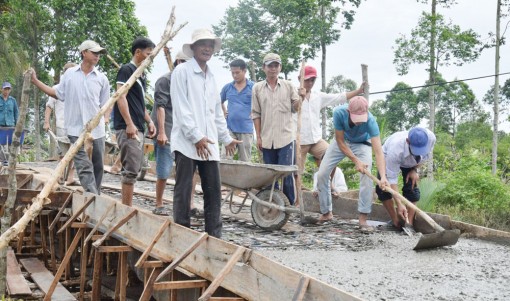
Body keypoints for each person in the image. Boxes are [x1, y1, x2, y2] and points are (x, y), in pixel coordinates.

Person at [170, 29, 241, 238]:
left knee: (213, 191)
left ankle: (214, 236)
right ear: (193, 48)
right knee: (183, 190)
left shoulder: (211, 77)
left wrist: (226, 138)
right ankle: (182, 233)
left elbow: (216, 112)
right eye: (203, 44)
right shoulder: (181, 72)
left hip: (208, 143)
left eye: (210, 45)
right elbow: (182, 109)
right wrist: (195, 137)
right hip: (187, 142)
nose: (207, 48)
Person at [31, 40, 110, 194]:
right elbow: (56, 93)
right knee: (83, 165)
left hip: (97, 129)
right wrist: (35, 81)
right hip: (75, 129)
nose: (97, 56)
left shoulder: (102, 79)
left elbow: (106, 104)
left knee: (98, 165)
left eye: (98, 54)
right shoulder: (69, 75)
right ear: (84, 53)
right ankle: (93, 197)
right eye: (94, 53)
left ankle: (95, 195)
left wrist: (106, 119)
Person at [316, 96, 389, 229]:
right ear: (349, 111)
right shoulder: (339, 113)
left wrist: (383, 176)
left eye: (361, 119)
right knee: (322, 173)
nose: (358, 122)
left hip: (362, 144)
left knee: (367, 177)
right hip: (342, 142)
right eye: (356, 118)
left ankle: (363, 218)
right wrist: (356, 161)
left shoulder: (371, 121)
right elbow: (339, 141)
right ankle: (326, 212)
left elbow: (378, 152)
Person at [252, 53, 300, 205]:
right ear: (263, 68)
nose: (273, 69)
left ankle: (289, 206)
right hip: (267, 139)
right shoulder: (257, 88)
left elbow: (296, 108)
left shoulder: (288, 86)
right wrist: (258, 137)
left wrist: (302, 98)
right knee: (270, 177)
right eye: (270, 66)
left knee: (286, 175)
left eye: (276, 65)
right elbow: (256, 114)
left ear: (280, 67)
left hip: (286, 138)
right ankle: (273, 207)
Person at [113, 37, 156, 206]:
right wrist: (129, 124)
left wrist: (149, 121)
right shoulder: (126, 70)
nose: (150, 58)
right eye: (148, 54)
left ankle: (127, 207)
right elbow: (120, 96)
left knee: (134, 168)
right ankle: (126, 209)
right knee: (130, 170)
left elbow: (140, 105)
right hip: (128, 127)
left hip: (138, 126)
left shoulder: (141, 75)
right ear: (138, 52)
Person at [297, 65, 364, 172]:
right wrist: (299, 97)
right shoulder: (293, 95)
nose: (310, 83)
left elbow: (338, 97)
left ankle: (327, 185)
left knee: (331, 157)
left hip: (315, 140)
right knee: (296, 172)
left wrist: (358, 91)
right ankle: (297, 188)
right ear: (299, 79)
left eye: (312, 80)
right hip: (300, 141)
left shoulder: (318, 96)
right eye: (307, 80)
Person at [151, 50, 191, 215]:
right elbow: (161, 107)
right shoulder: (164, 81)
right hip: (165, 127)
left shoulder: (188, 82)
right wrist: (161, 132)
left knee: (187, 169)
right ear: (180, 63)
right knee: (164, 167)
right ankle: (159, 203)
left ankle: (187, 204)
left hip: (181, 128)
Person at [375, 127, 436, 230]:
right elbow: (392, 179)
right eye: (416, 149)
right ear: (408, 141)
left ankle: (409, 224)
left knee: (412, 188)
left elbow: (425, 157)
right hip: (389, 159)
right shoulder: (395, 149)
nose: (419, 152)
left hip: (412, 163)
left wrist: (414, 170)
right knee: (383, 189)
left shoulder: (430, 138)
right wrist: (399, 204)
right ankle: (395, 222)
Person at [43, 62, 77, 185]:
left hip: (75, 126)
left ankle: (70, 177)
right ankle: (61, 176)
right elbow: (49, 106)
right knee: (63, 154)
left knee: (73, 153)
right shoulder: (57, 88)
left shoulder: (77, 88)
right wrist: (46, 122)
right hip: (62, 125)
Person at [220, 59, 254, 162]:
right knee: (225, 159)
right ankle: (224, 179)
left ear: (244, 71)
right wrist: (224, 111)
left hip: (246, 129)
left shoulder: (253, 87)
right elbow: (218, 101)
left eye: (237, 72)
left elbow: (261, 103)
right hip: (229, 129)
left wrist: (254, 113)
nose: (235, 75)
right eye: (232, 73)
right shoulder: (228, 87)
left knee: (244, 160)